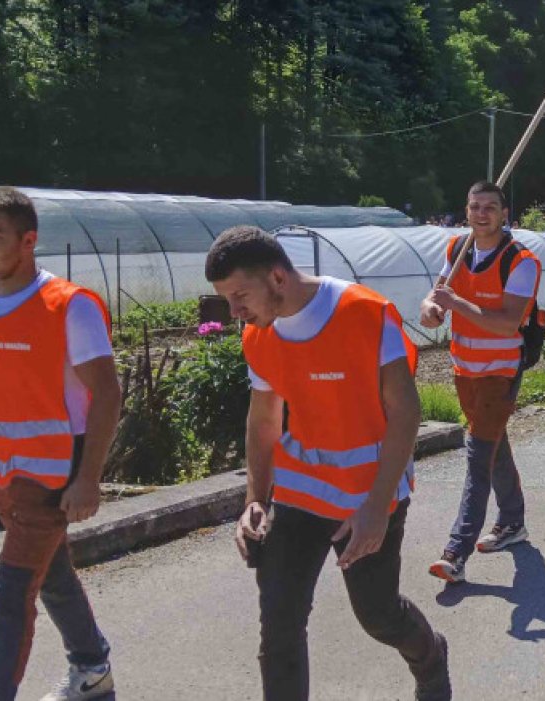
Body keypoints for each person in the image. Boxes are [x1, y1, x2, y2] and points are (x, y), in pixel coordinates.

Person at [206, 227, 450, 701]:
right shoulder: (259, 335)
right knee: (279, 626)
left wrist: (376, 508)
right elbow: (264, 419)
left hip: (369, 494)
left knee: (378, 616)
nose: (234, 312)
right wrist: (255, 500)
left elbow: (406, 412)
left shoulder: (364, 313)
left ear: (277, 277)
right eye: (227, 299)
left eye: (240, 296)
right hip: (300, 494)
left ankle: (430, 656)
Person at [0, 188, 119, 701]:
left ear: (28, 240)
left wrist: (88, 479)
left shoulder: (68, 306)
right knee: (51, 575)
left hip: (54, 474)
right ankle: (92, 668)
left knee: (11, 594)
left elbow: (107, 393)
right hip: (3, 473)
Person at [423, 181, 541, 584]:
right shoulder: (457, 250)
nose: (481, 214)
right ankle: (512, 522)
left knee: (477, 456)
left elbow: (508, 323)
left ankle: (455, 553)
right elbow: (434, 297)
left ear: (505, 214)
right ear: (467, 210)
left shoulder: (521, 261)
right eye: (475, 206)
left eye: (490, 207)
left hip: (499, 372)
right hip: (465, 370)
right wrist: (431, 309)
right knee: (494, 446)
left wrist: (455, 303)